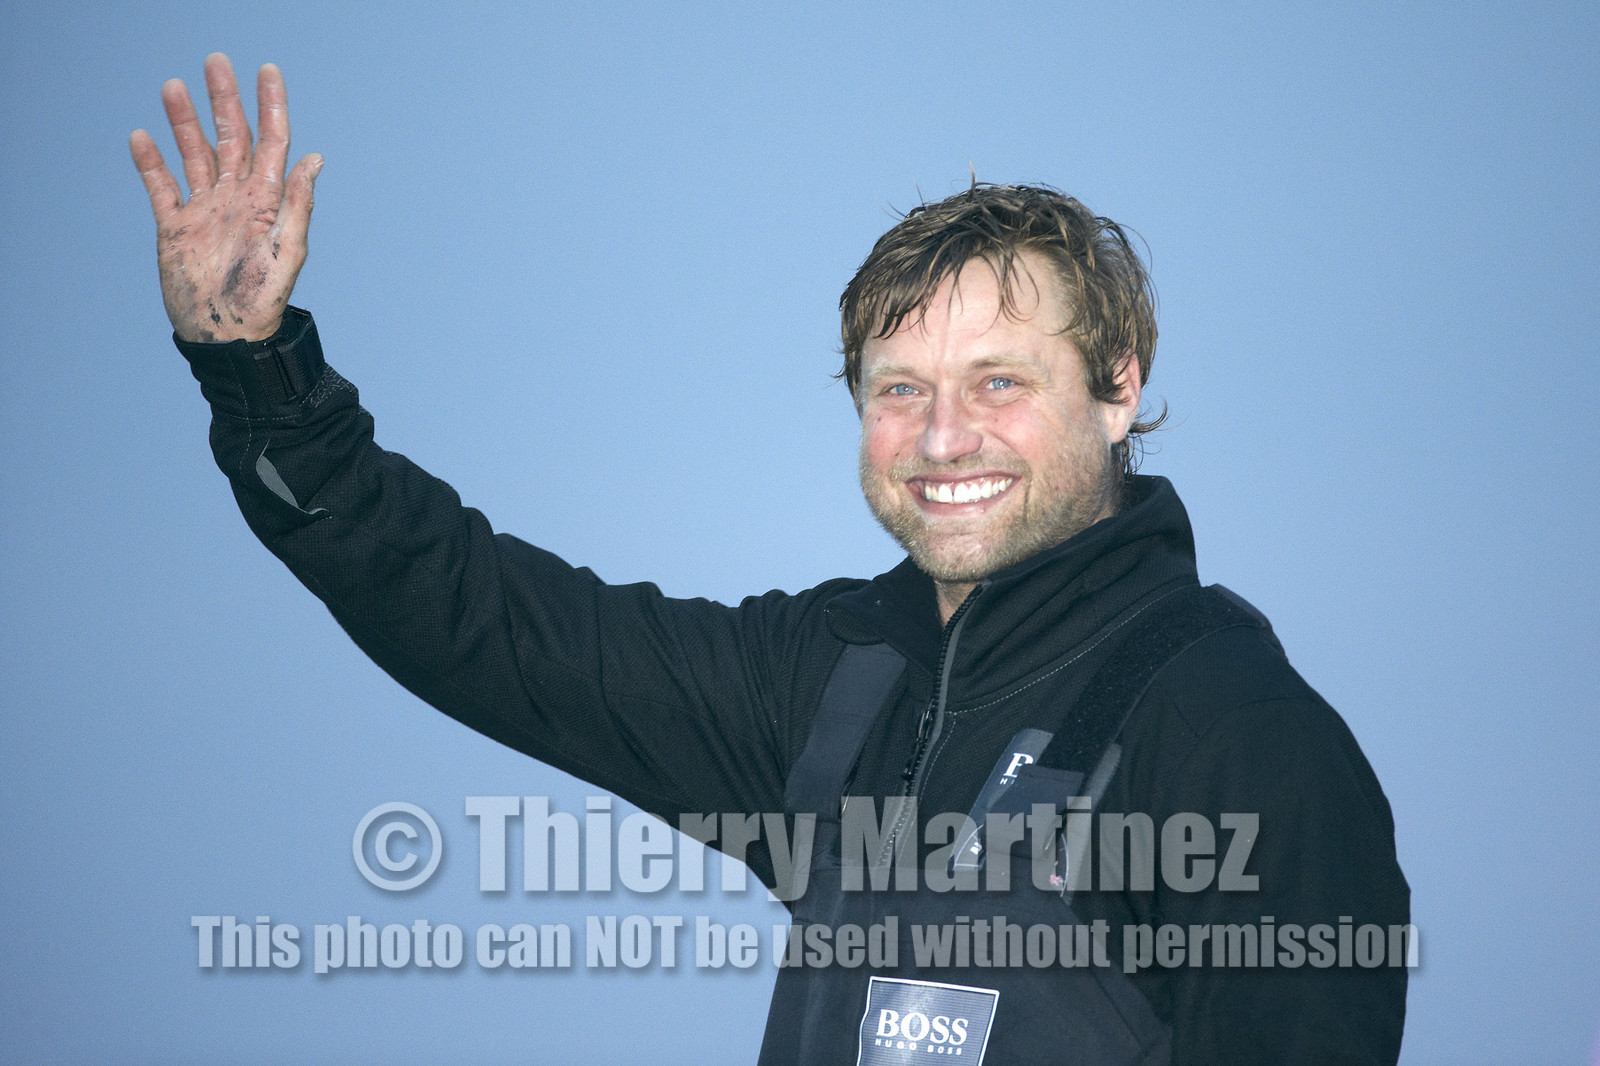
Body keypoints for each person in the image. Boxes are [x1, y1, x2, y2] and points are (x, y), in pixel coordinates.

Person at [133, 54, 1410, 1065]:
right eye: (898, 388)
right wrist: (256, 373)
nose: (943, 437)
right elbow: (483, 620)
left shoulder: (1240, 733)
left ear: (1119, 387)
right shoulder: (834, 681)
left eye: (999, 382)